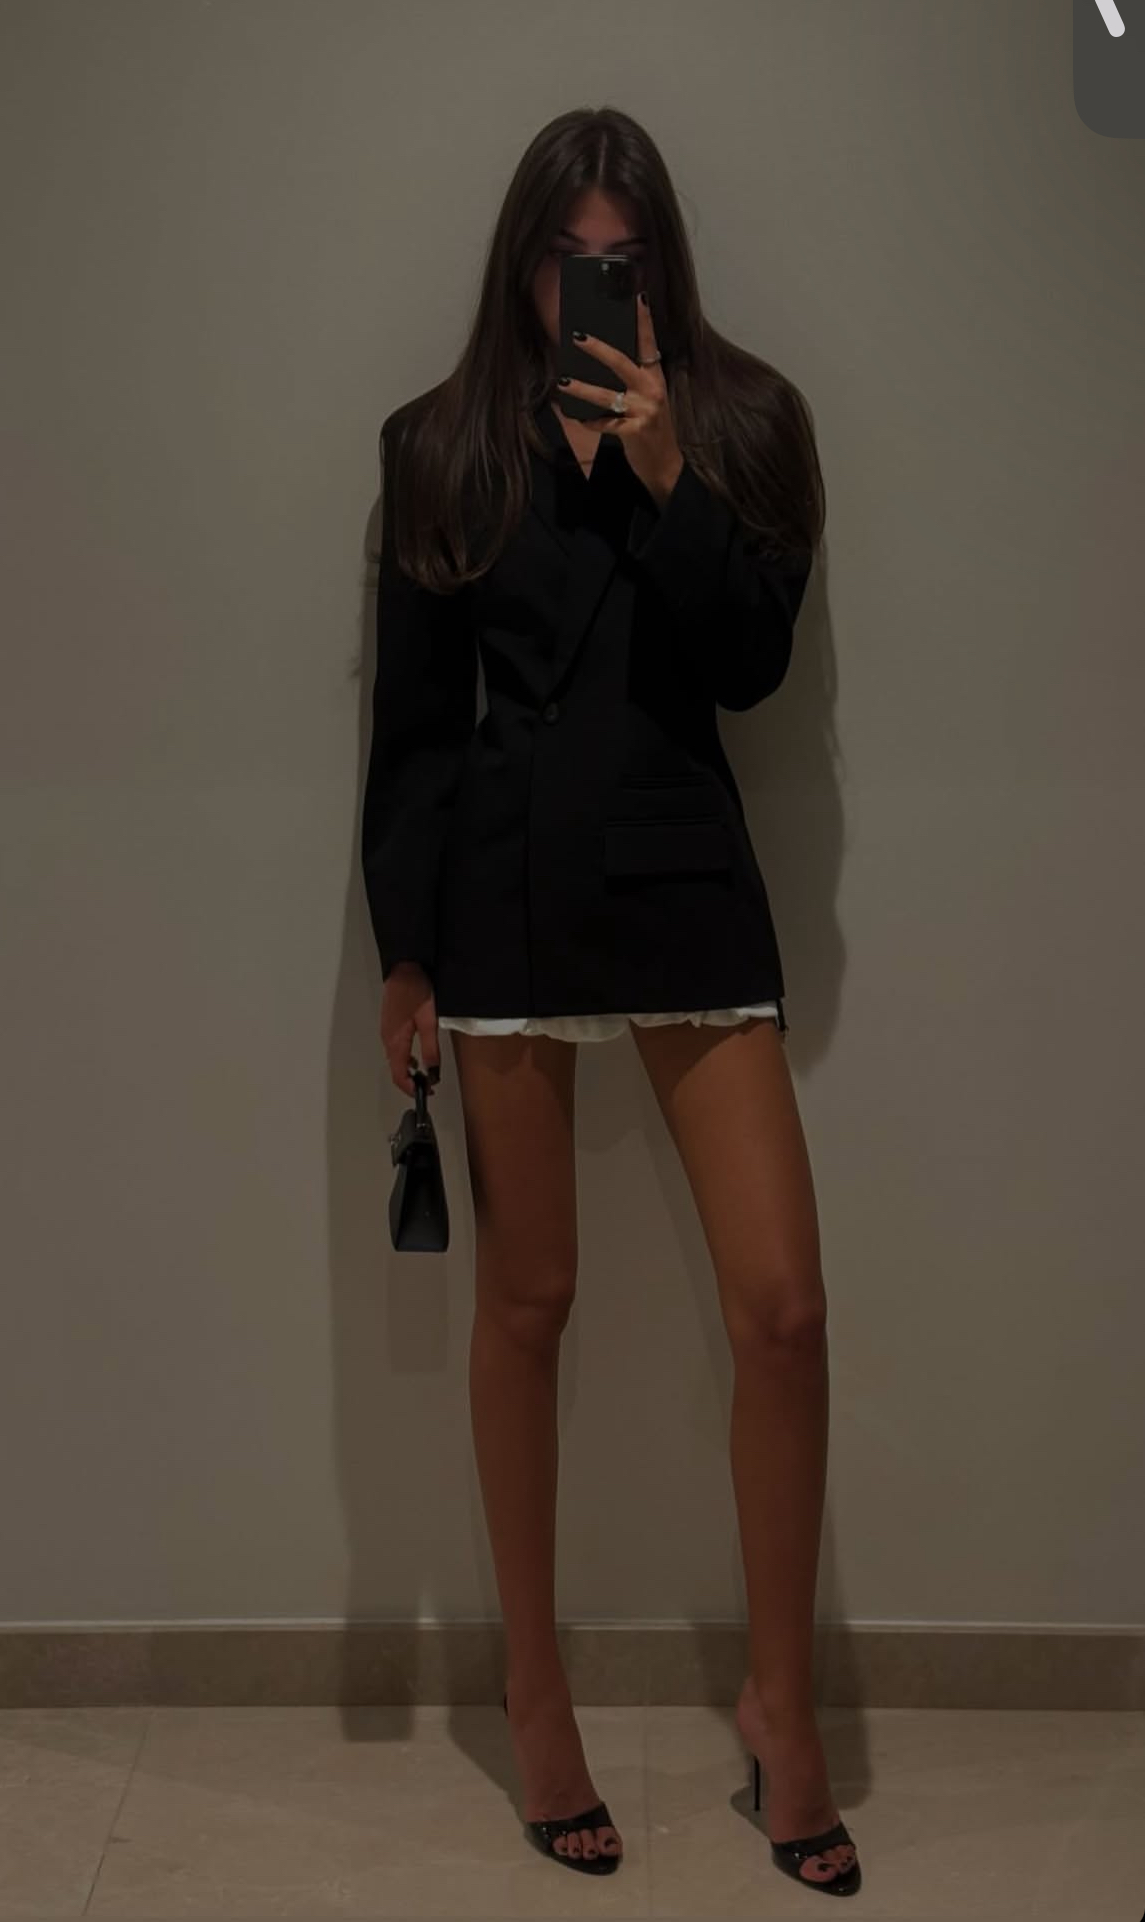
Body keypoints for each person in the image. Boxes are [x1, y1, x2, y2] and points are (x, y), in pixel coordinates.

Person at [360, 106, 860, 1898]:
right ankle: (536, 1694)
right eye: (564, 261)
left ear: (661, 267)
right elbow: (415, 726)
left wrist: (663, 472)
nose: (590, 288)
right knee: (529, 1297)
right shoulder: (440, 444)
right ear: (520, 266)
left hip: (683, 891)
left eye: (620, 263)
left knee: (782, 1308)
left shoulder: (744, 420)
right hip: (503, 901)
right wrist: (403, 951)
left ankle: (780, 1708)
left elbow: (749, 666)